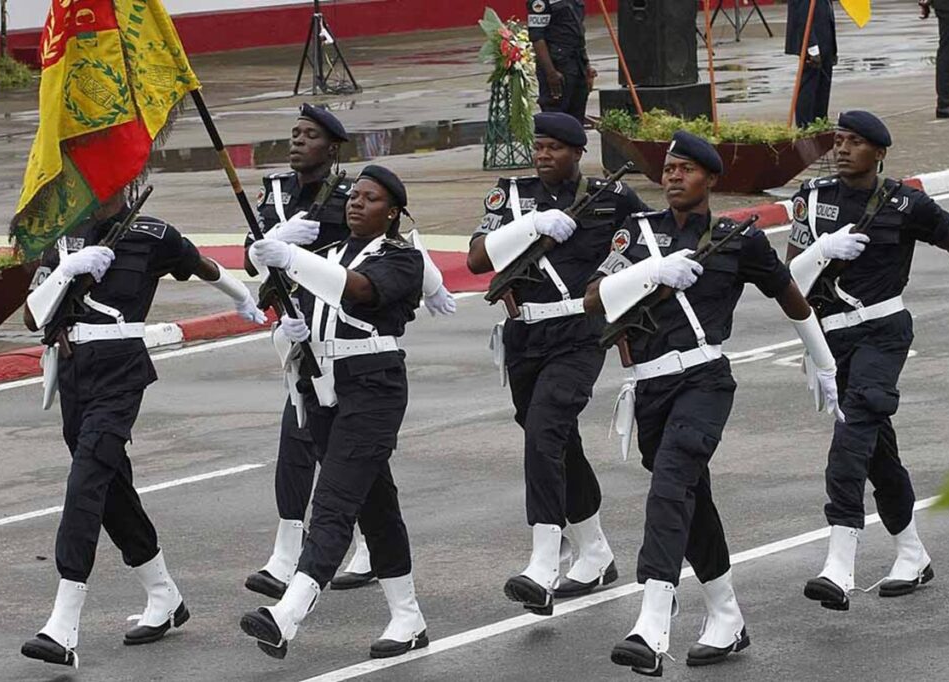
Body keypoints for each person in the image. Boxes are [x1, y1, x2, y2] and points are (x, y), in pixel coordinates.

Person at [582, 131, 843, 676]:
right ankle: (726, 617)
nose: (674, 176)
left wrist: (823, 361)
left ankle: (653, 620)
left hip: (704, 380)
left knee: (671, 485)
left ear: (710, 180)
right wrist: (651, 271)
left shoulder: (735, 239)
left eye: (686, 169)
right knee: (690, 501)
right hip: (650, 388)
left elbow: (788, 294)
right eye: (669, 168)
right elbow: (592, 302)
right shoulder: (638, 234)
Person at [20, 191, 264, 668]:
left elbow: (199, 263)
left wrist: (241, 297)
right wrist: (69, 269)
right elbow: (33, 316)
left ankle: (63, 625)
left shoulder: (153, 235)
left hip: (120, 372)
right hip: (73, 375)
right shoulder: (65, 238)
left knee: (86, 483)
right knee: (111, 488)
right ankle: (163, 595)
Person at [786, 111, 949, 611]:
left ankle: (839, 564)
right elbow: (790, 280)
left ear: (880, 153)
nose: (843, 149)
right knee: (877, 454)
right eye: (839, 140)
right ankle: (911, 552)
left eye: (856, 142)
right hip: (831, 340)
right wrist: (822, 250)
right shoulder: (813, 199)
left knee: (852, 438)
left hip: (883, 333)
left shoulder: (906, 202)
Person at [243, 105, 455, 601]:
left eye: (309, 135)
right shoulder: (276, 193)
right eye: (294, 133)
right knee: (306, 446)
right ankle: (288, 549)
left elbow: (381, 261)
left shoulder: (347, 196)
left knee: (346, 472)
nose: (297, 142)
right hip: (308, 334)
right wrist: (272, 246)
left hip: (360, 336)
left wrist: (432, 281)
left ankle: (307, 579)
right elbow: (261, 261)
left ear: (331, 147)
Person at [240, 165, 430, 661]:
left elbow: (360, 291)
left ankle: (287, 614)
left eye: (370, 199)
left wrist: (291, 258)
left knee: (333, 501)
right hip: (321, 387)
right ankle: (408, 617)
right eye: (354, 196)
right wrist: (290, 331)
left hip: (373, 388)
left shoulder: (402, 258)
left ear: (391, 213)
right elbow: (289, 308)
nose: (356, 204)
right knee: (375, 506)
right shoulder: (326, 253)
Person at [467, 112, 648, 615]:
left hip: (579, 333)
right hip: (526, 332)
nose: (543, 155)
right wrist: (529, 226)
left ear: (577, 153)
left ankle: (543, 562)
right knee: (557, 441)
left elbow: (650, 240)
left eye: (553, 148)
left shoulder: (612, 197)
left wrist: (615, 275)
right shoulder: (513, 196)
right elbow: (479, 259)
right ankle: (594, 552)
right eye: (538, 147)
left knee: (544, 431)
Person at [527, 0, 597, 123]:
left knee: (576, 120)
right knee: (556, 119)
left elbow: (578, 33)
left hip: (577, 63)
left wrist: (587, 66)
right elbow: (537, 38)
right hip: (557, 66)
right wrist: (551, 73)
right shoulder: (540, 2)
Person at [785, 0, 837, 128]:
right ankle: (805, 126)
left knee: (823, 86)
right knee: (808, 85)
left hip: (825, 40)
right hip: (812, 42)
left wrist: (833, 48)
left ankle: (820, 122)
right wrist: (811, 47)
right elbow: (803, 17)